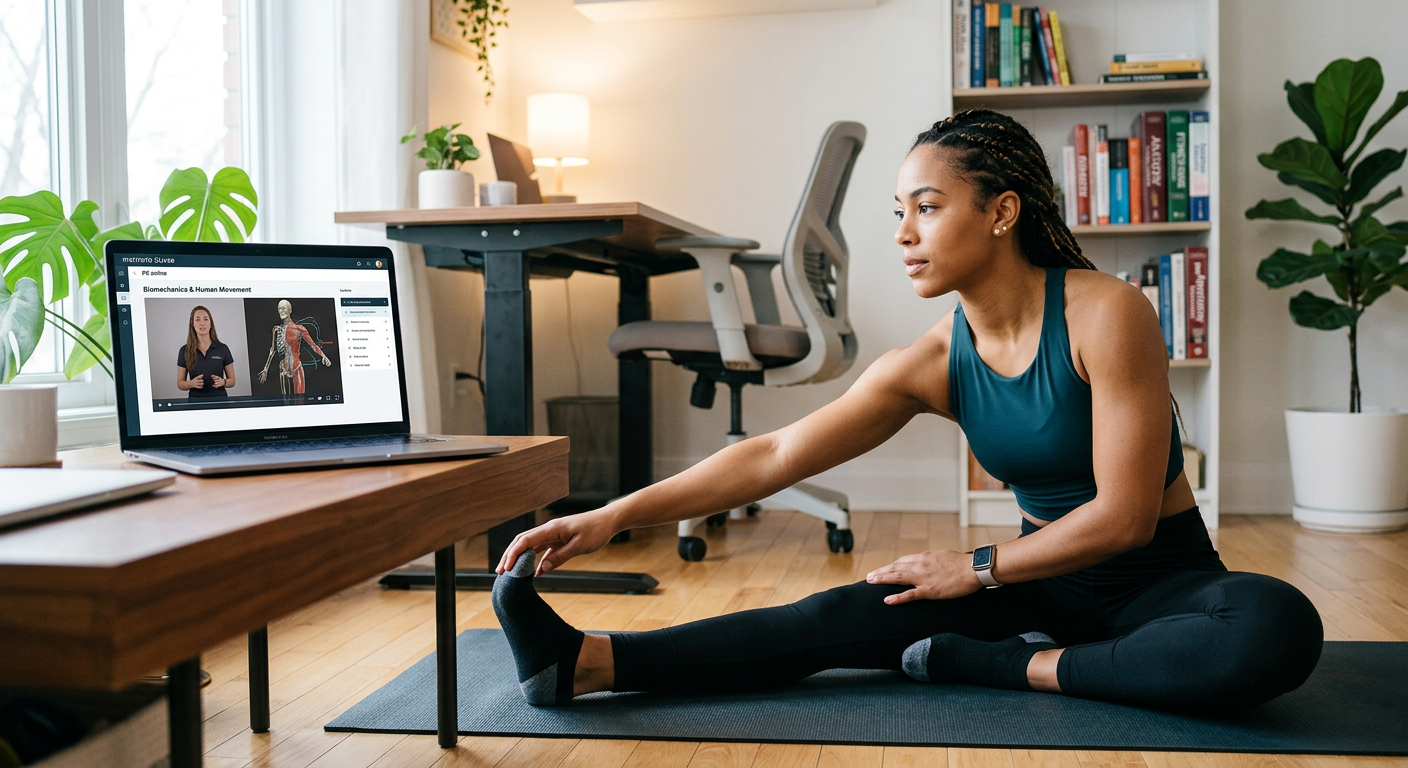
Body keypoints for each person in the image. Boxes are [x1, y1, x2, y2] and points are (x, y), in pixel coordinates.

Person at [489, 109, 1324, 713]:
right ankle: (589, 663)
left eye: (927, 207)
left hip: (1161, 587)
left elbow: (1127, 517)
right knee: (844, 614)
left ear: (1001, 212)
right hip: (1035, 588)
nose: (903, 233)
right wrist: (611, 516)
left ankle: (1009, 669)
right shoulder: (931, 361)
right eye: (900, 212)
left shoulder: (1108, 313)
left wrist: (979, 568)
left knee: (1273, 626)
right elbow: (775, 457)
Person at [257, 299, 331, 400]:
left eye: (283, 308)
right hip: (283, 368)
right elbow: (272, 350)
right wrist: (266, 369)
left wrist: (323, 355)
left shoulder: (299, 329)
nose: (281, 311)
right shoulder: (276, 329)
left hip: (297, 367)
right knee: (286, 401)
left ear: (289, 310)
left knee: (299, 400)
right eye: (279, 309)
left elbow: (312, 344)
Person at [176, 305, 236, 398]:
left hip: (220, 401)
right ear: (192, 324)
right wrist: (191, 384)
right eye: (197, 319)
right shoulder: (184, 351)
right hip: (195, 402)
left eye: (205, 319)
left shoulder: (223, 349)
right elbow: (180, 383)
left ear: (210, 323)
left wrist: (223, 382)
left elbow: (232, 381)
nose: (202, 323)